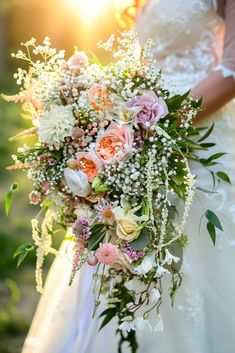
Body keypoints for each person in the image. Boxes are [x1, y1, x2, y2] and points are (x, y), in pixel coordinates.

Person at [22, 1, 235, 352]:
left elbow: (231, 68)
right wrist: (106, 114)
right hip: (140, 141)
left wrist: (155, 121)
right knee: (124, 250)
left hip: (195, 140)